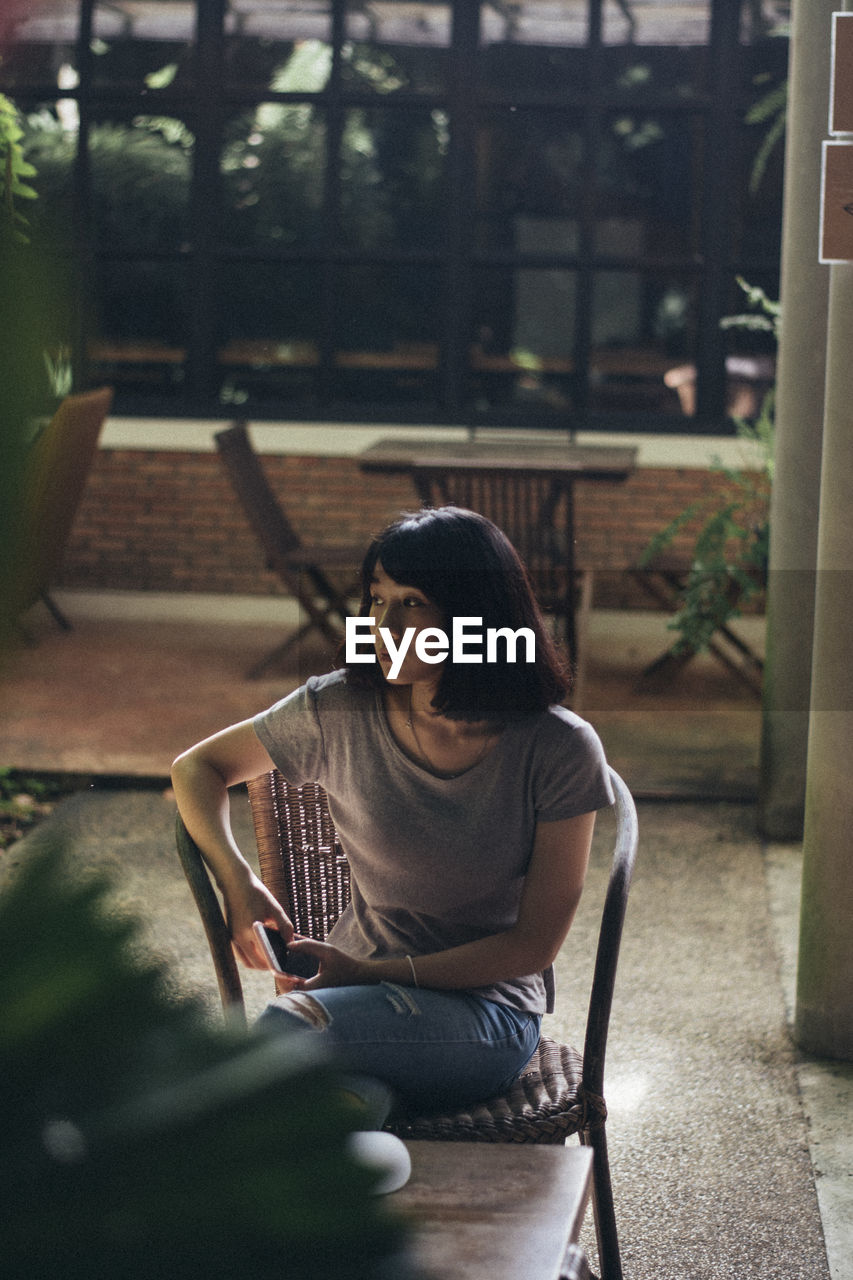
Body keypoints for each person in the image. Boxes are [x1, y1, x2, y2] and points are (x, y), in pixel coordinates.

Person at [171, 506, 613, 1123]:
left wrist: (373, 970)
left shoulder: (557, 748)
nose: (383, 623)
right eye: (376, 600)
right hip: (353, 999)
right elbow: (196, 768)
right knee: (333, 1099)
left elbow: (532, 945)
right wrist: (238, 883)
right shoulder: (339, 708)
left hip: (484, 1015)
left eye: (411, 602)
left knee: (284, 1036)